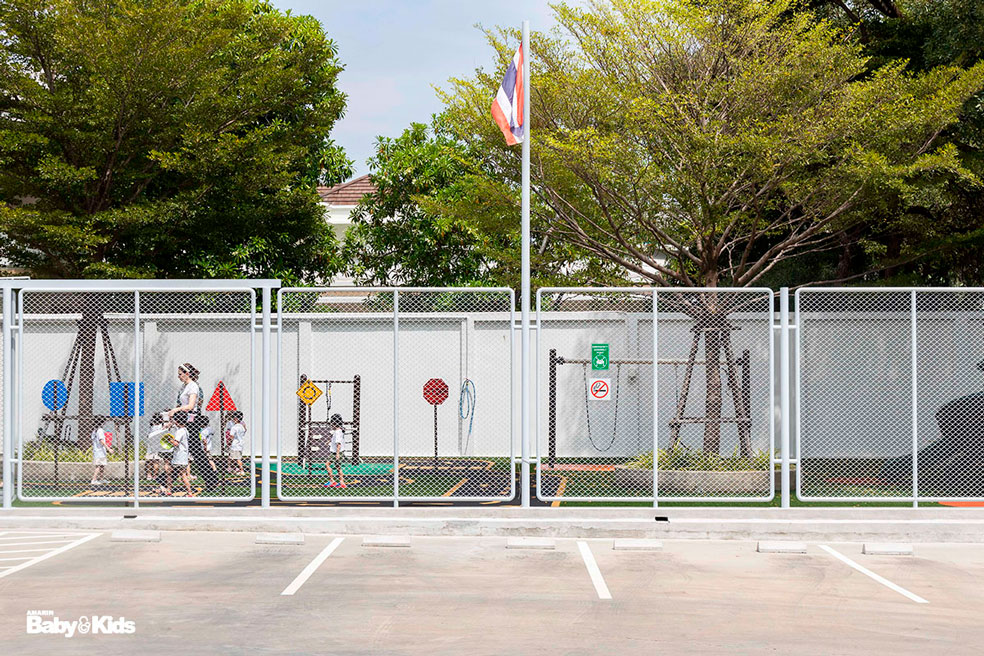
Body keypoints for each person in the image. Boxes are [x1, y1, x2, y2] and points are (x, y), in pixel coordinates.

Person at [168, 411, 194, 497]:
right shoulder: (185, 430)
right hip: (183, 455)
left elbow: (176, 443)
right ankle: (188, 491)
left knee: (173, 473)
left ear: (176, 421)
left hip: (179, 455)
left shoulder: (180, 431)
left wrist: (169, 439)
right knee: (181, 474)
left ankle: (169, 489)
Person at [323, 413, 347, 489]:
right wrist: (330, 442)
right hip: (338, 452)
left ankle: (332, 481)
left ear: (334, 423)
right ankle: (341, 482)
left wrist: (337, 454)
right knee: (338, 467)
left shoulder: (337, 432)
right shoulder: (339, 431)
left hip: (335, 452)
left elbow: (338, 443)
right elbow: (336, 441)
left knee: (327, 464)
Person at [91, 420, 114, 487]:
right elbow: (101, 440)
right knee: (98, 466)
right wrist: (109, 449)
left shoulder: (95, 430)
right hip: (100, 451)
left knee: (102, 465)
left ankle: (101, 479)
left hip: (98, 450)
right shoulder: (100, 430)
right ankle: (94, 480)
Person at [225, 411, 246, 475]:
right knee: (234, 458)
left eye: (233, 418)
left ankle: (241, 470)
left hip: (235, 445)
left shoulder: (234, 427)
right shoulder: (242, 426)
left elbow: (231, 436)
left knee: (237, 459)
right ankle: (235, 469)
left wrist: (229, 443)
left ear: (236, 419)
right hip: (240, 444)